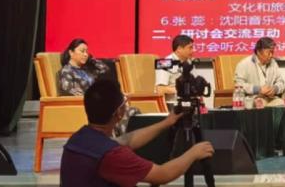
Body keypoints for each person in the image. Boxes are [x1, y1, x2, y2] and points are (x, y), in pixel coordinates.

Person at [60, 79, 214, 187]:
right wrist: (194, 153)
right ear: (118, 113)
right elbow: (162, 174)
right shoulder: (112, 155)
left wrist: (166, 123)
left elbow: (126, 141)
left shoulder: (79, 138)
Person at [59, 38, 138, 134]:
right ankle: (122, 140)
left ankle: (129, 139)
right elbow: (67, 90)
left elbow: (104, 69)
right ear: (71, 53)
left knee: (132, 111)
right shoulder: (67, 71)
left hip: (99, 103)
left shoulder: (86, 70)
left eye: (87, 52)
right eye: (82, 51)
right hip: (90, 106)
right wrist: (93, 99)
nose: (85, 54)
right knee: (123, 114)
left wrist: (91, 59)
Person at [234, 37, 285, 106]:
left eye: (272, 52)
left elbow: (281, 82)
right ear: (258, 52)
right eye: (268, 52)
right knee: (261, 104)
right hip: (252, 99)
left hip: (270, 98)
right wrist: (258, 89)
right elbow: (239, 85)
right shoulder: (244, 64)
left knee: (282, 104)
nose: (271, 55)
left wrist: (275, 89)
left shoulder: (273, 63)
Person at [156, 34, 196, 105]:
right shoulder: (164, 63)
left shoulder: (189, 62)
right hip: (172, 104)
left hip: (189, 103)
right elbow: (160, 89)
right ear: (179, 49)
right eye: (190, 48)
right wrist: (182, 90)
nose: (193, 51)